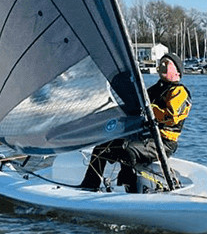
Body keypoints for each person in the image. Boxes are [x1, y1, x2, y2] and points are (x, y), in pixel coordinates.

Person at [78, 53, 192, 192]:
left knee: (128, 151)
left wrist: (149, 108)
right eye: (161, 62)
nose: (162, 65)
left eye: (167, 63)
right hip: (145, 137)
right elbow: (137, 105)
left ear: (177, 72)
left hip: (163, 142)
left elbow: (172, 116)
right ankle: (89, 185)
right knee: (101, 148)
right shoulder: (155, 89)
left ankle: (132, 191)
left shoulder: (179, 92)